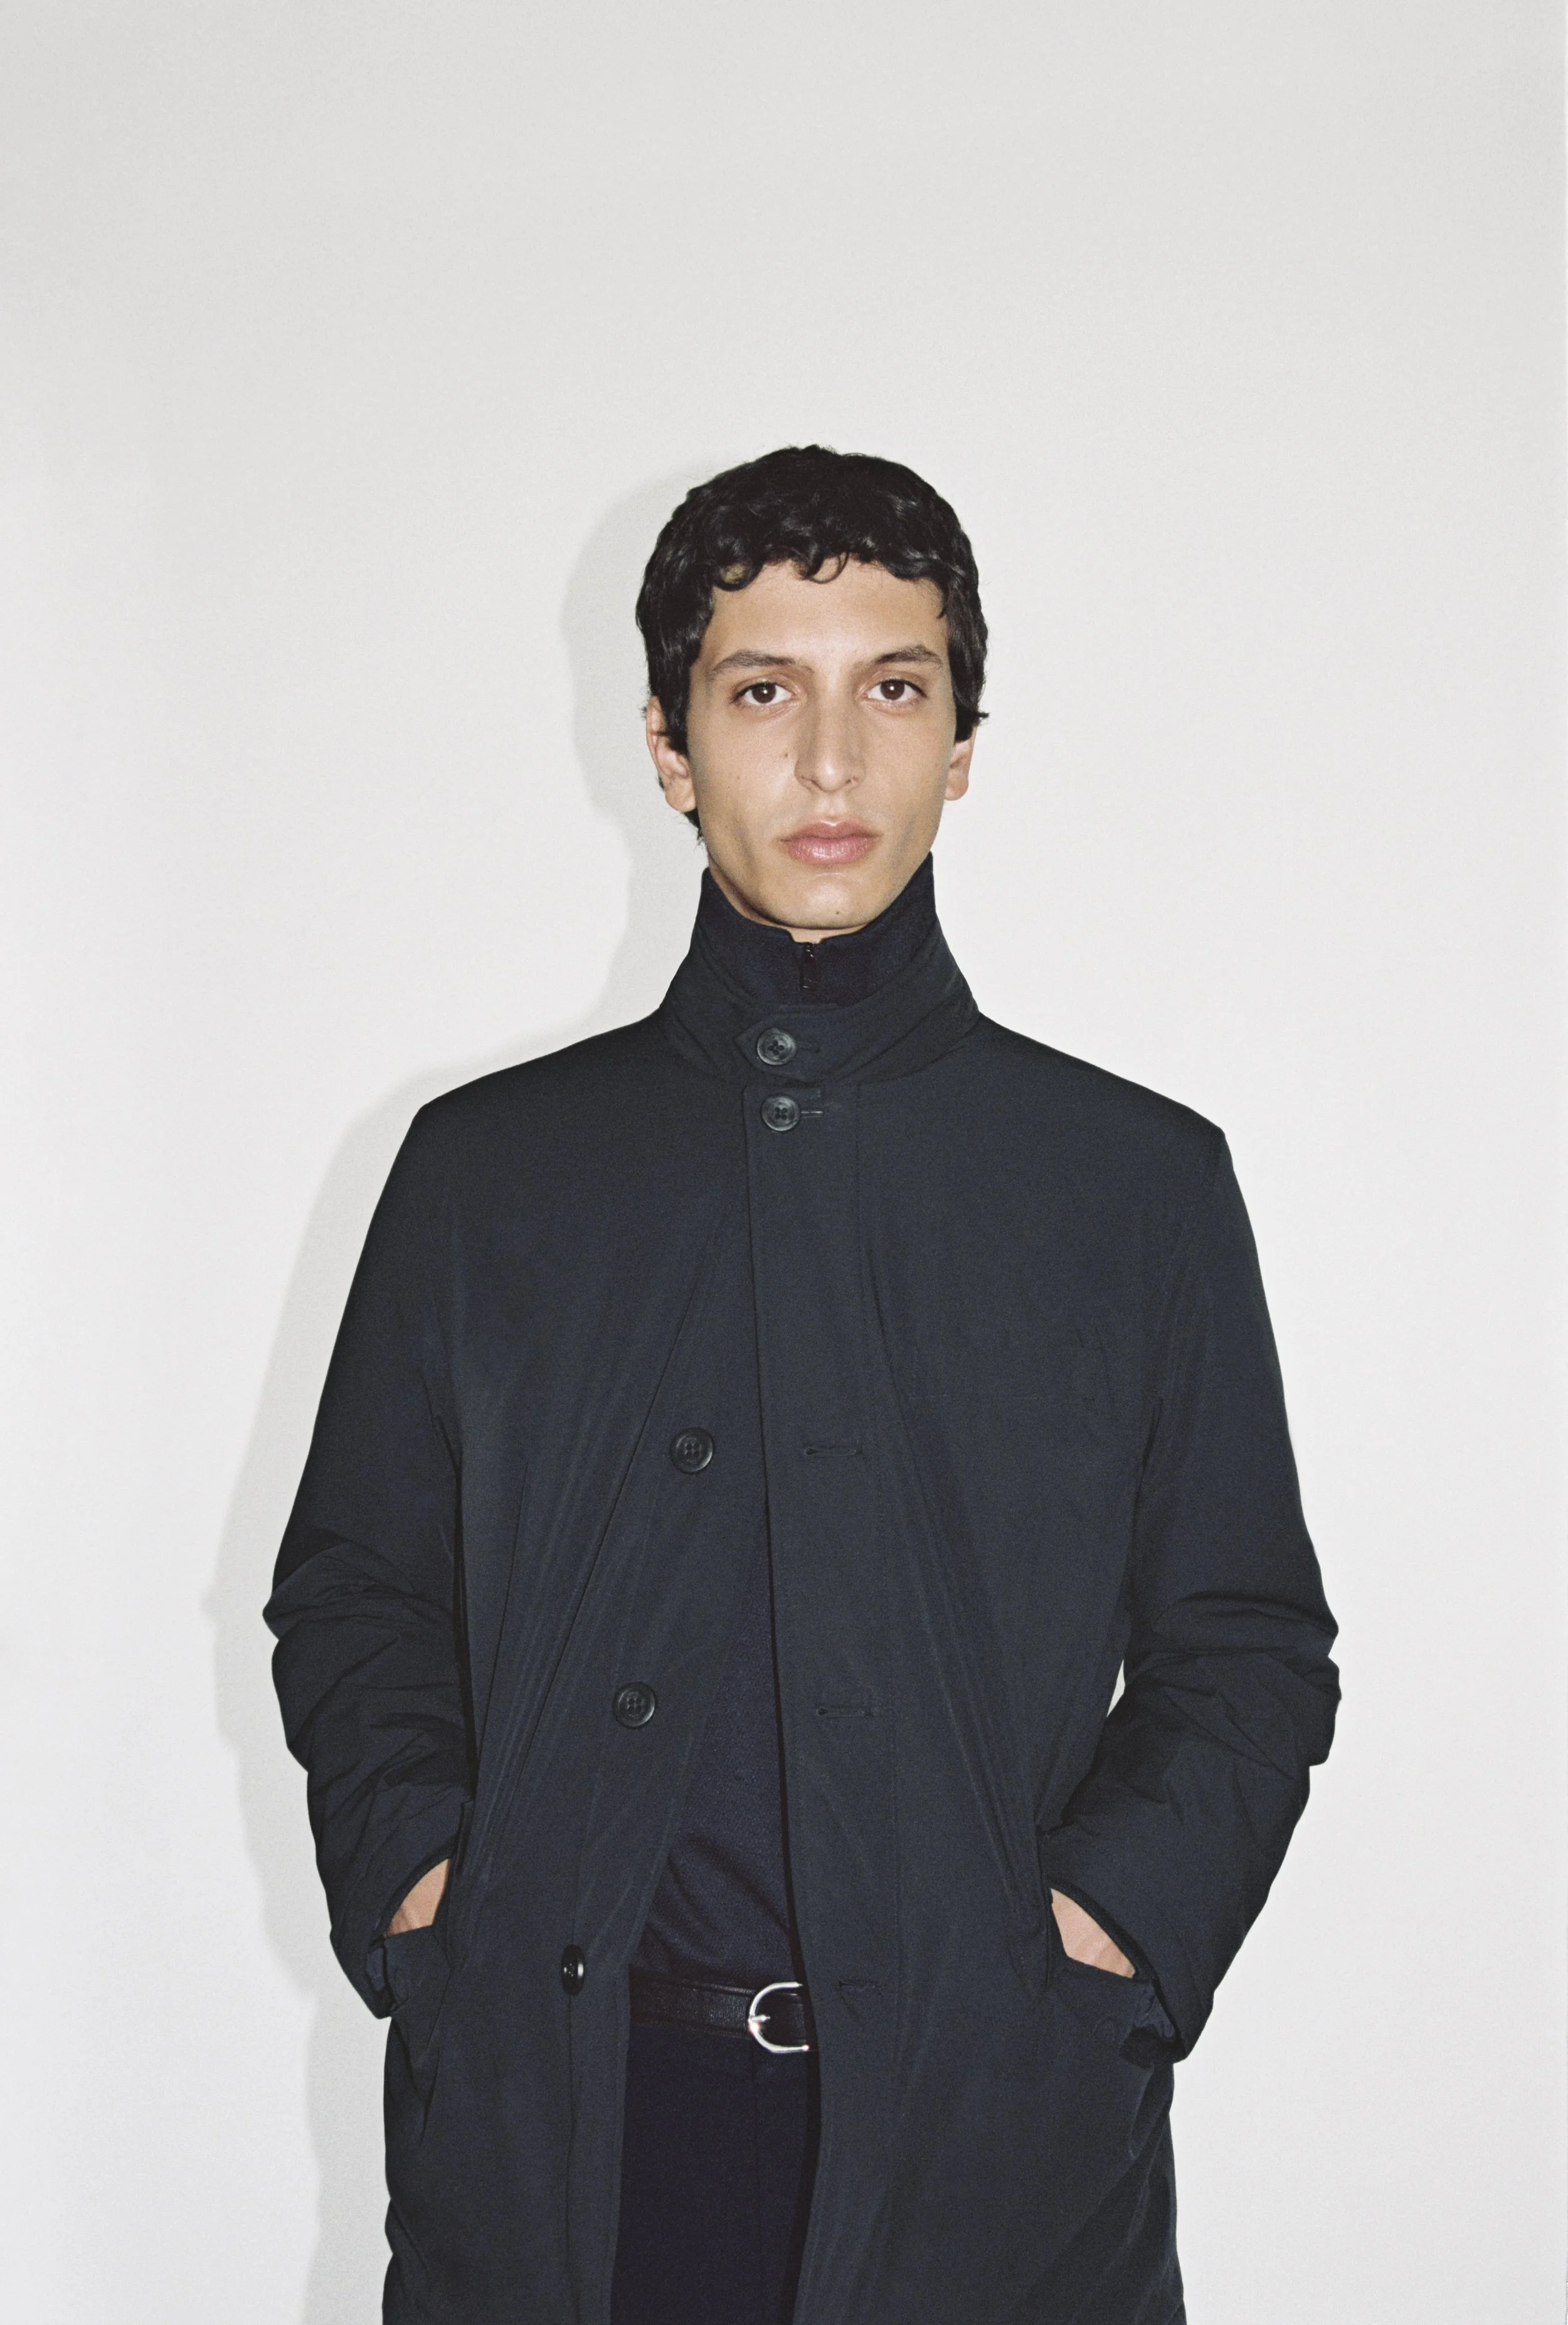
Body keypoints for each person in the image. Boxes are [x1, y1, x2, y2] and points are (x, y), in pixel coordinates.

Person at [267, 445, 1338, 2325]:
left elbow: (1244, 1645)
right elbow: (354, 1589)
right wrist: (430, 1886)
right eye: (763, 690)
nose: (831, 761)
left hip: (992, 2150)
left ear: (963, 742)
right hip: (564, 2132)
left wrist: (1106, 1938)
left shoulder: (1133, 1186)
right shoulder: (487, 1174)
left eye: (893, 689)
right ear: (670, 746)